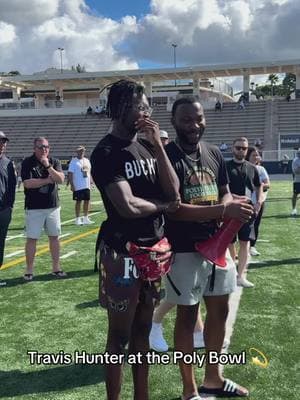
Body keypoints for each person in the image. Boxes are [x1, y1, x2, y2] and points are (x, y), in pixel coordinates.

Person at [90, 79, 180, 400]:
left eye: (145, 106)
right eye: (136, 106)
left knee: (143, 331)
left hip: (154, 251)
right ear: (118, 109)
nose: (143, 112)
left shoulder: (148, 145)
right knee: (119, 336)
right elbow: (126, 206)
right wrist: (162, 207)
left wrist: (158, 145)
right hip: (122, 252)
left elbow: (175, 192)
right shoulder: (105, 152)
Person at [163, 97, 253, 399]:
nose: (194, 125)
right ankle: (189, 390)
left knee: (220, 310)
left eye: (199, 119)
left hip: (218, 246)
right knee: (187, 318)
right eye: (187, 120)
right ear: (174, 122)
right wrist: (221, 212)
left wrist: (233, 206)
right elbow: (172, 210)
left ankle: (213, 378)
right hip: (184, 249)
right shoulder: (166, 156)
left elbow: (224, 194)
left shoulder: (214, 152)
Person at [21, 137, 66, 281]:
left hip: (52, 206)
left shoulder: (54, 161)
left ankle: (56, 267)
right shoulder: (28, 162)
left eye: (46, 147)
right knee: (32, 239)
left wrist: (48, 166)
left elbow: (60, 179)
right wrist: (47, 180)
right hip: (34, 207)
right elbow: (28, 183)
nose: (44, 149)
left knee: (54, 237)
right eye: (40, 147)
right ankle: (29, 270)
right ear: (34, 148)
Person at [227, 137, 263, 288]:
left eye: (244, 148)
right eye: (238, 148)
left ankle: (240, 276)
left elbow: (258, 186)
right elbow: (222, 188)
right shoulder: (225, 166)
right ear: (232, 148)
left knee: (245, 242)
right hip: (229, 210)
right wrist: (235, 197)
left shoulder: (252, 167)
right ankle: (231, 273)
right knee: (228, 242)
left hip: (247, 211)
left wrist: (259, 201)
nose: (241, 150)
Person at [246, 147, 270, 256]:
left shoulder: (261, 169)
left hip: (259, 201)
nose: (256, 157)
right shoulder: (244, 168)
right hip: (246, 200)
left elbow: (268, 184)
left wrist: (259, 186)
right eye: (253, 155)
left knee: (255, 225)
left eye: (257, 155)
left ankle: (252, 246)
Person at [0, 132, 16, 286]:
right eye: (0, 141)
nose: (2, 144)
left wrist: (9, 207)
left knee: (0, 242)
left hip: (3, 210)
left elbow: (11, 187)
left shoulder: (8, 163)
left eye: (4, 142)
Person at [68, 146, 94, 225]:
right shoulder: (73, 161)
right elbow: (70, 174)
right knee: (78, 202)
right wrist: (72, 185)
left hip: (86, 185)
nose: (82, 152)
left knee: (87, 201)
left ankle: (86, 218)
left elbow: (89, 172)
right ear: (77, 152)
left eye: (83, 151)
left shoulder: (87, 160)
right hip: (78, 185)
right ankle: (77, 219)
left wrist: (91, 181)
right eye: (80, 151)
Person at [291, 149, 300, 216]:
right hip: (298, 180)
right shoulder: (296, 160)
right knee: (295, 194)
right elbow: (296, 171)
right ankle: (294, 209)